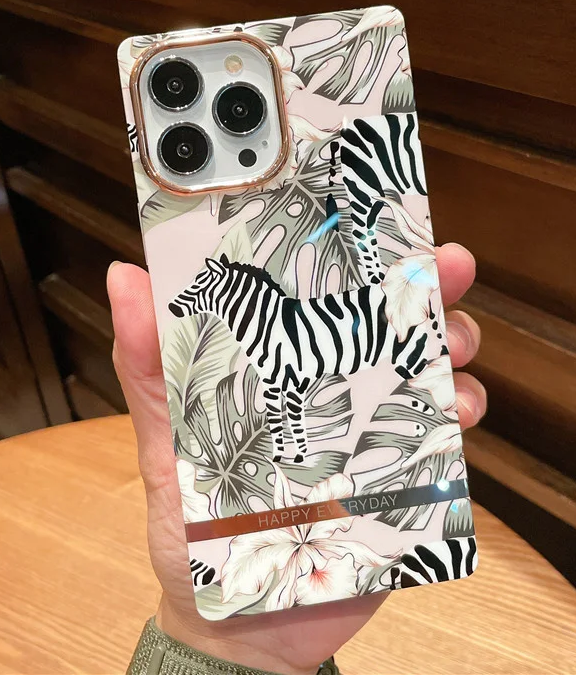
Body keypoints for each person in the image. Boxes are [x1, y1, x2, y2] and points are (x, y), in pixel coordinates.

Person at [107, 242, 486, 675]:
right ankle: (295, 448)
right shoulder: (260, 327)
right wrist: (219, 642)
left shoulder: (284, 321)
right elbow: (278, 383)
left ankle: (300, 447)